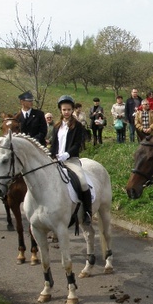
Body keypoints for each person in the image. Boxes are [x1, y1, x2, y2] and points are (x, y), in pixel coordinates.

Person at [50, 95, 92, 226]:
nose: (66, 112)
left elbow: (77, 144)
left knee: (83, 182)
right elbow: (53, 144)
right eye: (64, 110)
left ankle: (87, 212)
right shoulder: (56, 126)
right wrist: (51, 156)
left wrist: (66, 155)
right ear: (60, 110)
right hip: (56, 160)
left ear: (72, 110)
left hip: (71, 160)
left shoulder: (77, 126)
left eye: (68, 109)